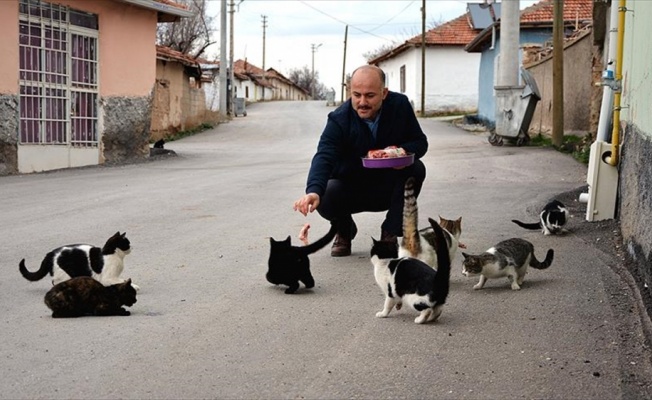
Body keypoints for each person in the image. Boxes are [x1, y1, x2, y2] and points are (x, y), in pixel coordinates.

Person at [293, 65, 428, 257]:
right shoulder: (339, 119)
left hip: (388, 188)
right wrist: (313, 191)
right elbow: (324, 155)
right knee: (324, 193)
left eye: (370, 95)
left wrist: (403, 152)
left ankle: (390, 233)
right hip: (351, 187)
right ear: (350, 92)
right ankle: (344, 231)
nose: (362, 102)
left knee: (416, 168)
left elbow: (420, 142)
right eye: (357, 95)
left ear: (384, 93)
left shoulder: (400, 105)